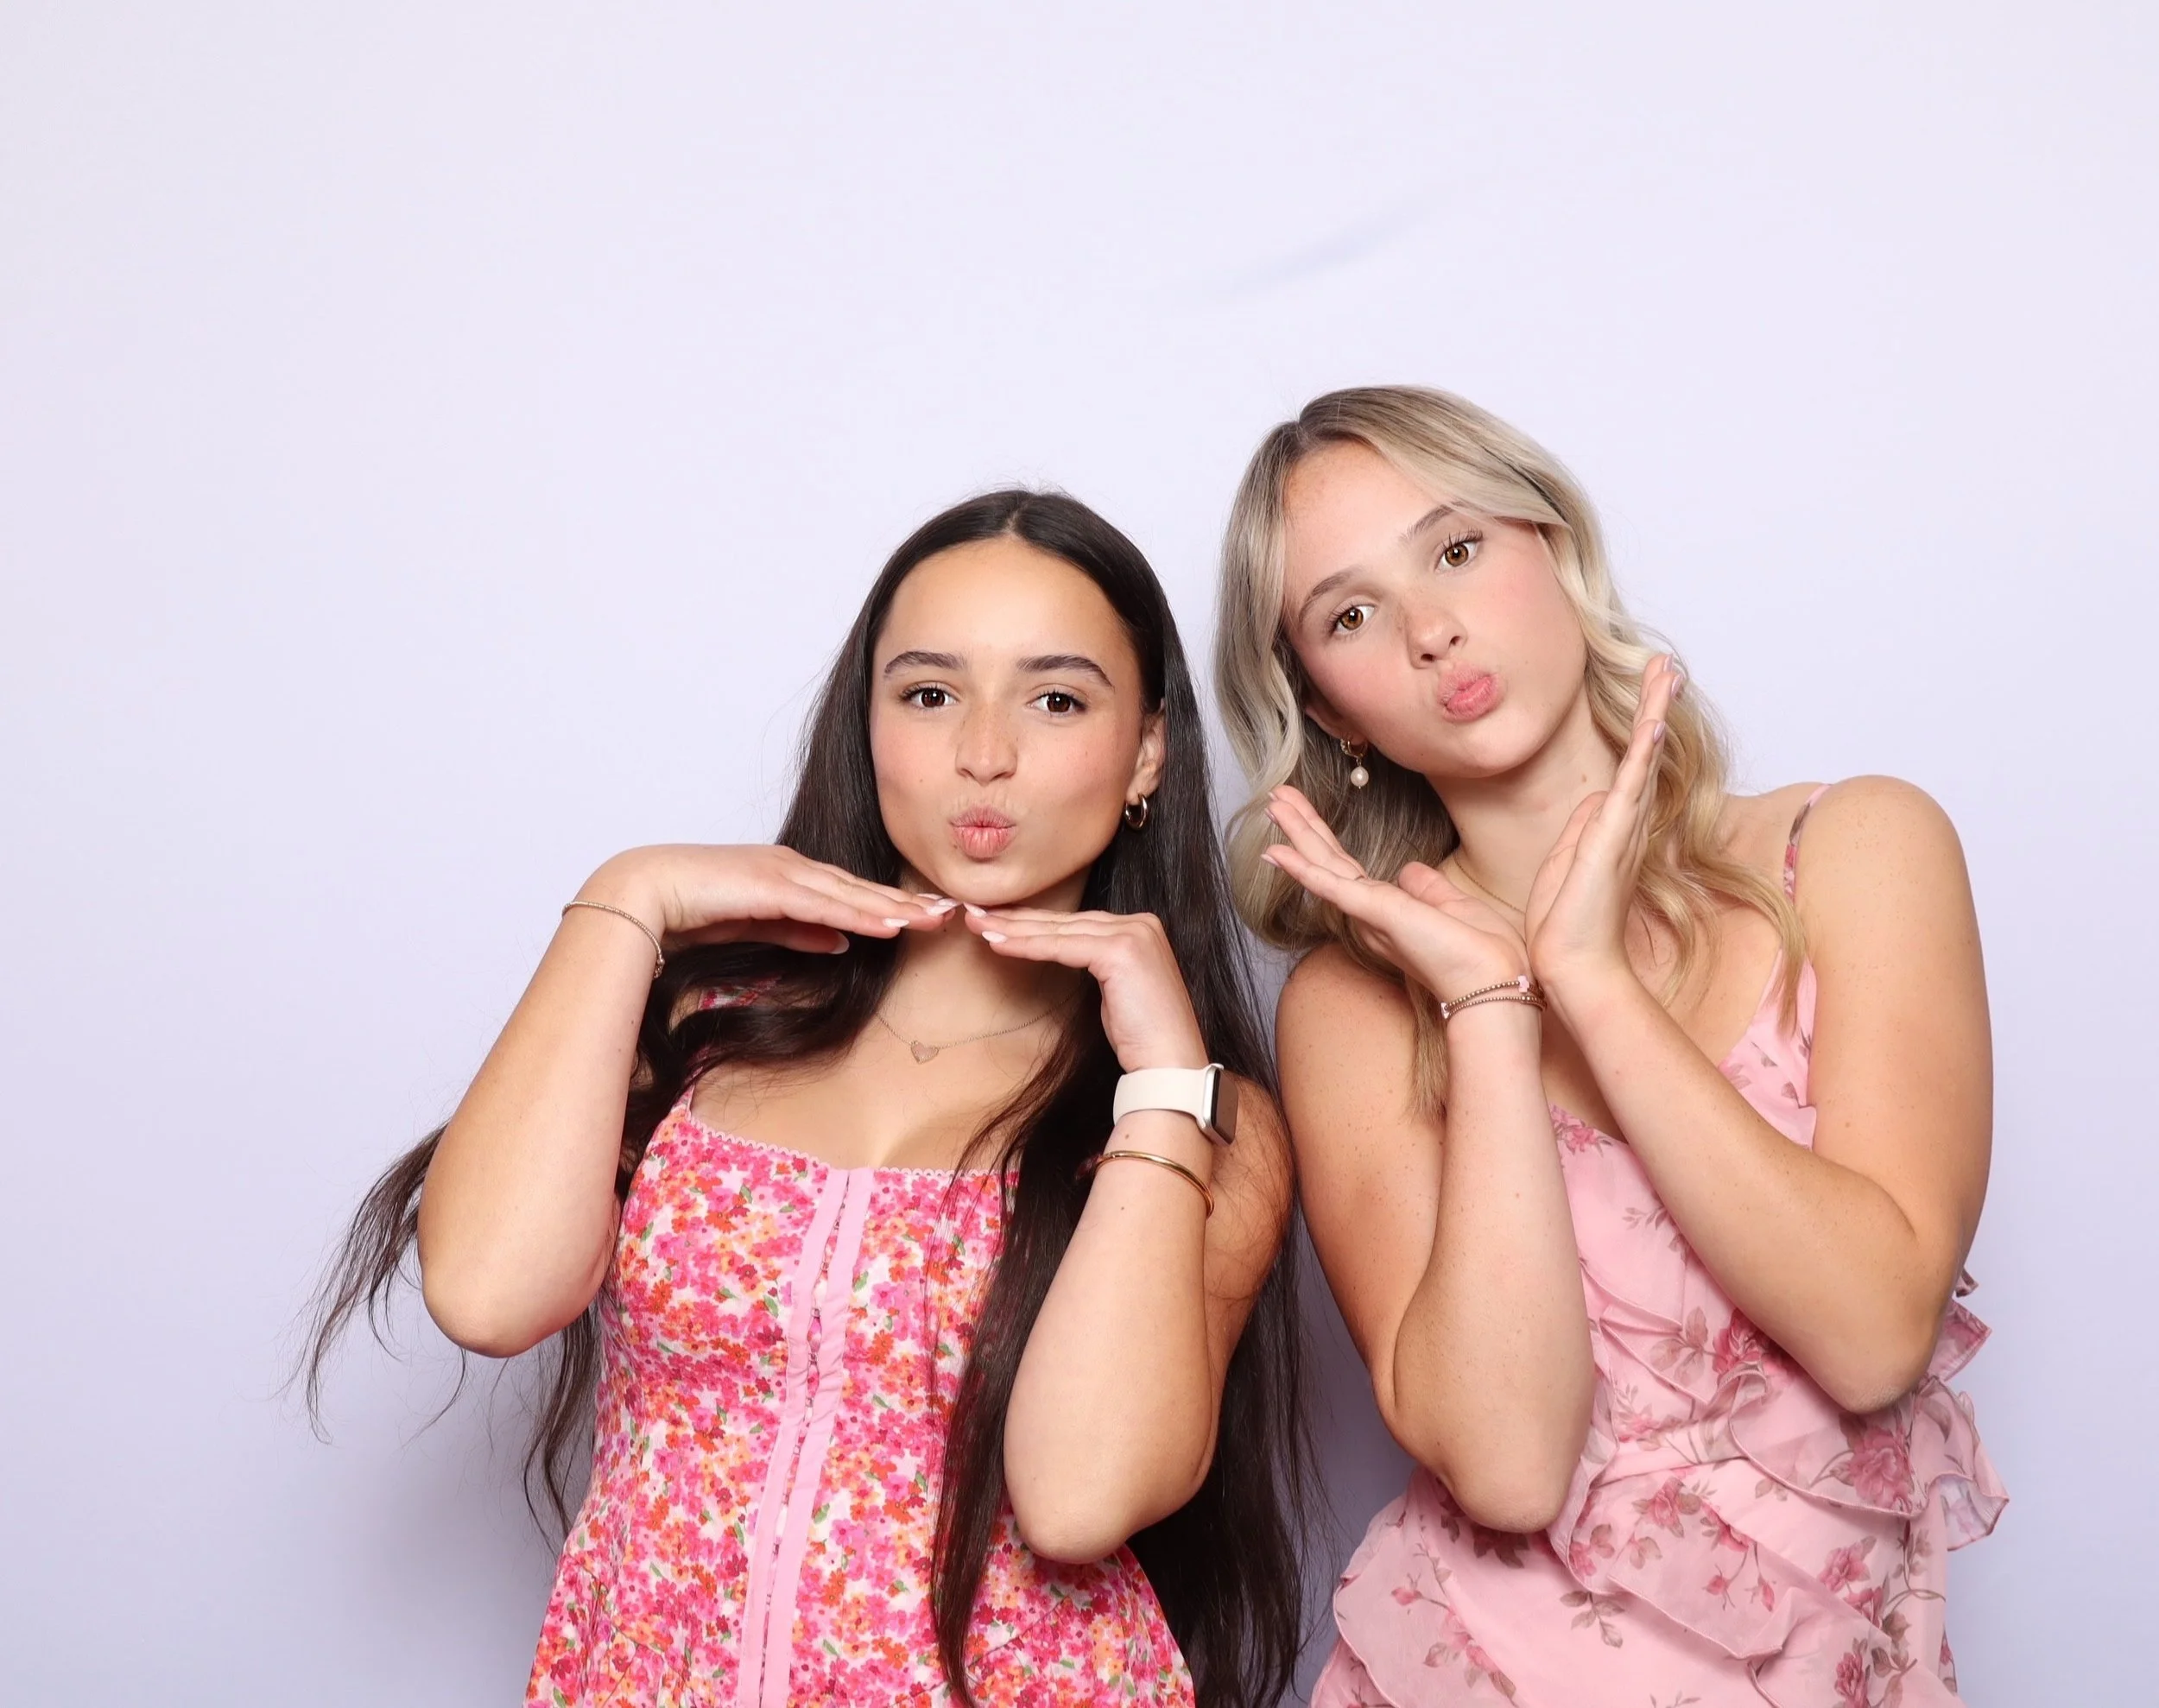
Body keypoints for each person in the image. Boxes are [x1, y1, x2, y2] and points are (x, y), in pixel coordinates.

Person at [305, 490, 1308, 1708]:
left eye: (1056, 697)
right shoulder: (702, 1027)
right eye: (930, 693)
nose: (983, 751)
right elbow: (488, 1289)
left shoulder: (1205, 1117)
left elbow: (1080, 1496)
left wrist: (1157, 1078)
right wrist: (628, 896)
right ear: (868, 720)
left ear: (1147, 747)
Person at [1212, 387, 2005, 1706]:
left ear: (1553, 546)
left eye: (1457, 548)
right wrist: (1492, 1008)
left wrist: (1587, 978)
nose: (1431, 629)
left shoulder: (1854, 851)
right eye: (1350, 615)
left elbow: (1873, 1334)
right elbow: (1511, 1464)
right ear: (1330, 711)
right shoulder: (1355, 1007)